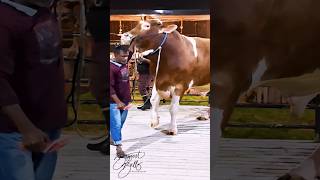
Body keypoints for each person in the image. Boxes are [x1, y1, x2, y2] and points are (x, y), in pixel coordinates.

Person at [0, 0, 67, 179]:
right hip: (14, 130)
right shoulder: (5, 19)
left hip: (47, 125)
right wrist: (25, 128)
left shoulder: (42, 12)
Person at [84, 0, 110, 155]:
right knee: (99, 88)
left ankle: (113, 139)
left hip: (105, 41)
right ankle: (110, 136)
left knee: (105, 88)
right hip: (98, 40)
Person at [110, 45, 131, 158]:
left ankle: (111, 137)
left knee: (120, 123)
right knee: (117, 124)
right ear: (115, 55)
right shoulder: (111, 68)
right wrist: (117, 101)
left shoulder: (124, 65)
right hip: (114, 102)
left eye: (127, 56)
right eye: (123, 56)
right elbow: (110, 87)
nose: (125, 58)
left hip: (125, 101)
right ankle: (119, 147)